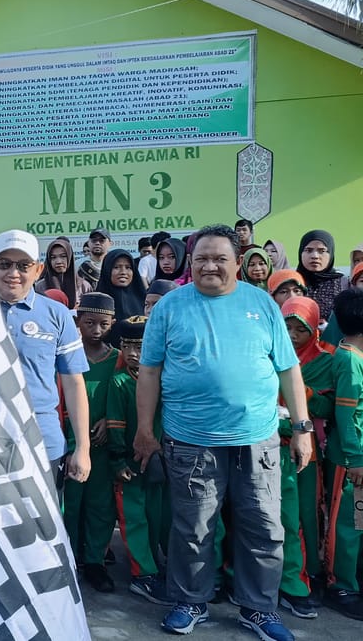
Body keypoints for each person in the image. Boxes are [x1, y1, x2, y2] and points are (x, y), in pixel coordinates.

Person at [133, 224, 310, 640]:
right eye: (201, 259)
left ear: (236, 262)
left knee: (264, 527)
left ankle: (258, 609)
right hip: (191, 440)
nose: (210, 266)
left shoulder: (262, 304)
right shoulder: (170, 308)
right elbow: (150, 371)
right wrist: (145, 429)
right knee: (193, 528)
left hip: (258, 439)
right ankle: (190, 602)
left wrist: (302, 428)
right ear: (190, 264)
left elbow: (288, 368)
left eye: (219, 258)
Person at [0, 229, 91, 486]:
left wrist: (82, 448)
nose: (13, 273)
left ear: (38, 270)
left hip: (42, 444)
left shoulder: (57, 314)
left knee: (43, 527)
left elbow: (74, 383)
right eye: (4, 264)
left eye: (24, 265)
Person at [276, 296, 335, 620]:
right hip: (269, 446)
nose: (294, 334)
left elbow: (328, 409)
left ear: (314, 329)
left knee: (306, 517)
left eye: (302, 328)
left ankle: (309, 574)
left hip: (306, 452)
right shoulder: (267, 355)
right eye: (288, 326)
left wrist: (302, 392)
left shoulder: (325, 359)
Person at [106, 315, 169, 605]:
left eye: (141, 346)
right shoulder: (120, 382)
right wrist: (118, 461)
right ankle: (142, 575)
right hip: (130, 464)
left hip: (159, 463)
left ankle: (156, 565)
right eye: (127, 346)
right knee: (134, 519)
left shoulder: (164, 379)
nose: (133, 353)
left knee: (158, 516)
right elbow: (116, 424)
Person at [65, 293, 120, 592]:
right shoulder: (67, 357)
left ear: (112, 324)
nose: (96, 330)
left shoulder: (118, 359)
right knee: (70, 504)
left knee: (101, 504)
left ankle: (95, 561)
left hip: (103, 444)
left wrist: (108, 422)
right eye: (89, 323)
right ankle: (70, 559)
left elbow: (125, 397)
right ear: (78, 322)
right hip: (72, 441)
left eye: (103, 324)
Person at [324, 288, 363, 621]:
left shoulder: (357, 356)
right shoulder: (349, 360)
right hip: (350, 463)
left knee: (359, 522)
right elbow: (346, 416)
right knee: (347, 524)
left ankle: (354, 578)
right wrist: (355, 459)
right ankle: (340, 586)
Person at [297, 229, 347, 322]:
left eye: (322, 251)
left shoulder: (344, 283)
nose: (315, 256)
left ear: (331, 254)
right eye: (308, 250)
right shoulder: (293, 281)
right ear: (300, 253)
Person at [35, 237, 90, 308]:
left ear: (70, 257)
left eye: (63, 256)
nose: (58, 261)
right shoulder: (40, 286)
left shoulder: (84, 286)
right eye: (53, 257)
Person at [95, 248, 147, 321]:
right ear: (107, 270)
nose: (123, 272)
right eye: (116, 267)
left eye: (128, 267)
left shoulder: (145, 300)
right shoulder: (96, 301)